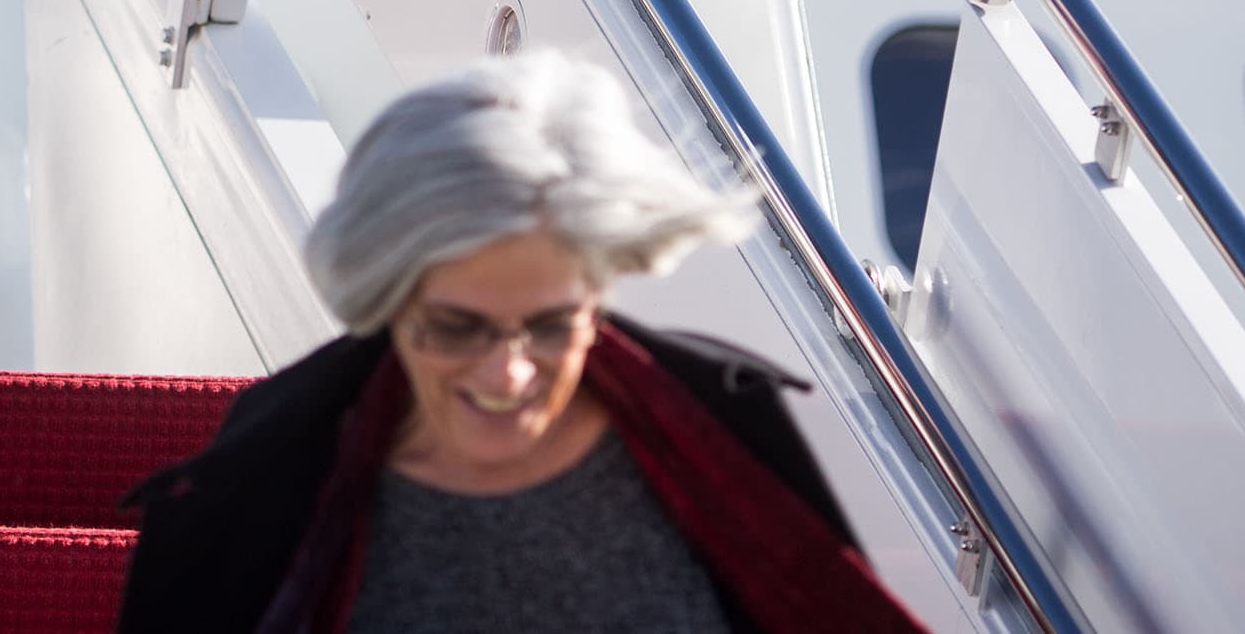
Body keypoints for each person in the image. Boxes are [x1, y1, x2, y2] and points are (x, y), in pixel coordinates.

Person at [117, 52, 925, 634]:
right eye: (454, 326)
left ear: (602, 292)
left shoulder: (735, 435)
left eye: (551, 324)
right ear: (387, 297)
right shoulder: (258, 481)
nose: (508, 372)